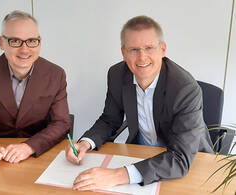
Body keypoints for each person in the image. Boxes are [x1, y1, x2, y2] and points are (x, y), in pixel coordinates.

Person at [65, 15, 213, 190]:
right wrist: (86, 142)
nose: (142, 58)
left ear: (163, 49)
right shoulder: (117, 74)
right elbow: (110, 119)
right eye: (134, 49)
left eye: (149, 48)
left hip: (187, 163)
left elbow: (180, 158)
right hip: (141, 155)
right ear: (123, 52)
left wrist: (116, 175)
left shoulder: (185, 88)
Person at [0, 10, 70, 168]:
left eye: (31, 41)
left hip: (36, 157)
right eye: (15, 41)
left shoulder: (56, 74)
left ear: (39, 42)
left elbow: (61, 123)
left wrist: (29, 147)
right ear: (1, 42)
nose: (25, 50)